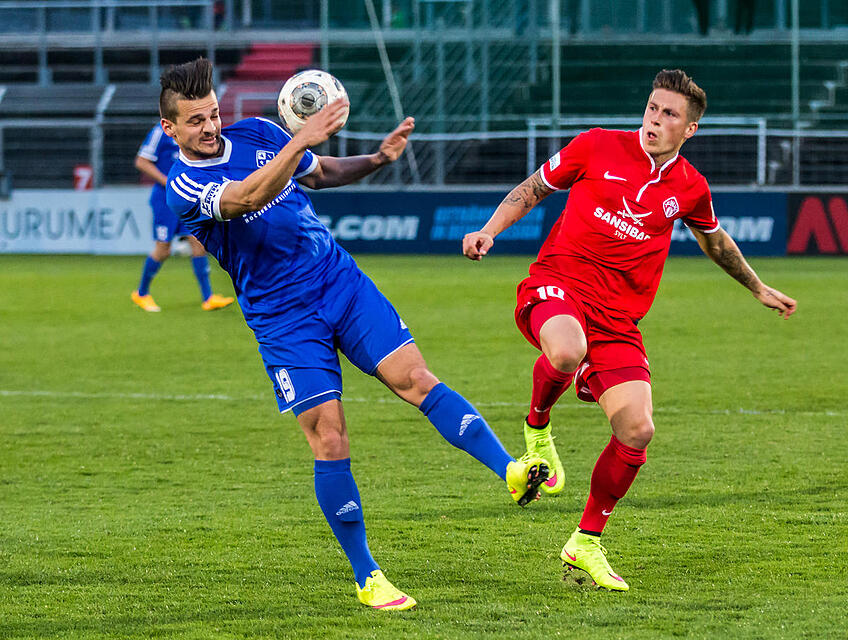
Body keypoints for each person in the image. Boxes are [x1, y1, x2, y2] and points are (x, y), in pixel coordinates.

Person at [159, 58, 550, 610]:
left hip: (338, 280)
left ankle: (509, 469)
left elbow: (318, 173)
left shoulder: (262, 132)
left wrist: (377, 159)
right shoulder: (183, 183)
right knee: (331, 436)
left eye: (214, 114)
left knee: (415, 377)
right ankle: (368, 576)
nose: (210, 127)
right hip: (282, 318)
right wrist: (303, 140)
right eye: (195, 120)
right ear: (170, 128)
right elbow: (246, 197)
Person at [462, 69, 796, 591]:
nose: (654, 121)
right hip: (558, 284)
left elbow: (714, 240)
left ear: (690, 130)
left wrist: (757, 288)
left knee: (638, 430)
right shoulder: (596, 146)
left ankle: (585, 544)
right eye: (651, 108)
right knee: (568, 350)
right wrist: (488, 230)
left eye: (669, 115)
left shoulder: (689, 187)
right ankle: (537, 427)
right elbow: (533, 188)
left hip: (618, 319)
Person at [131, 122, 234, 312]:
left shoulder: (191, 131)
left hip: (186, 198)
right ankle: (141, 293)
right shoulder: (159, 131)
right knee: (163, 250)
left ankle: (208, 298)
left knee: (198, 243)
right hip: (164, 200)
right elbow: (141, 161)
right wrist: (169, 182)